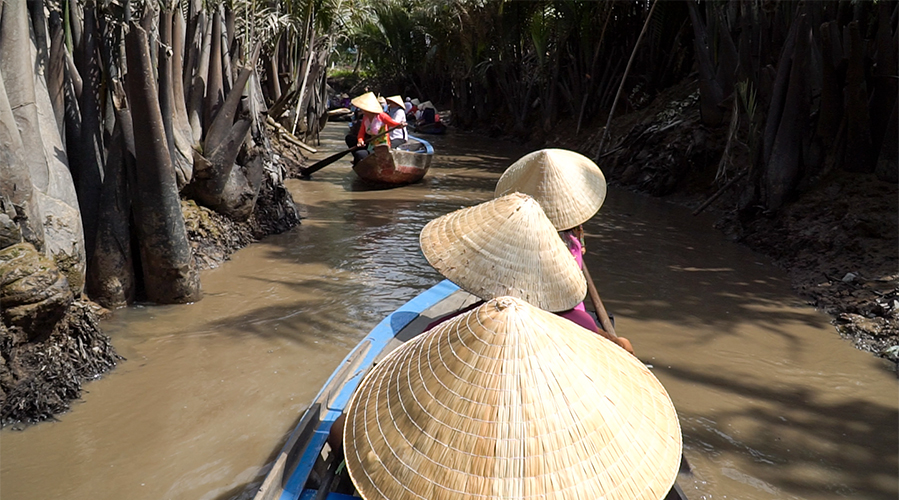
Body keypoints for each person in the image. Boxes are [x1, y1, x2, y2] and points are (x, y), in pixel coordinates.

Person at [494, 148, 634, 354]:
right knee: (624, 345)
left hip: (535, 309)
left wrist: (579, 240)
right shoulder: (563, 244)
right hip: (555, 314)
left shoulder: (518, 234)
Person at [348, 92, 405, 165]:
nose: (361, 110)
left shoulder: (382, 116)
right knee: (357, 151)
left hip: (383, 146)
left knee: (359, 154)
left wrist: (400, 125)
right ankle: (360, 164)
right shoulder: (365, 118)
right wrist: (360, 140)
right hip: (371, 145)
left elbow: (393, 124)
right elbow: (361, 133)